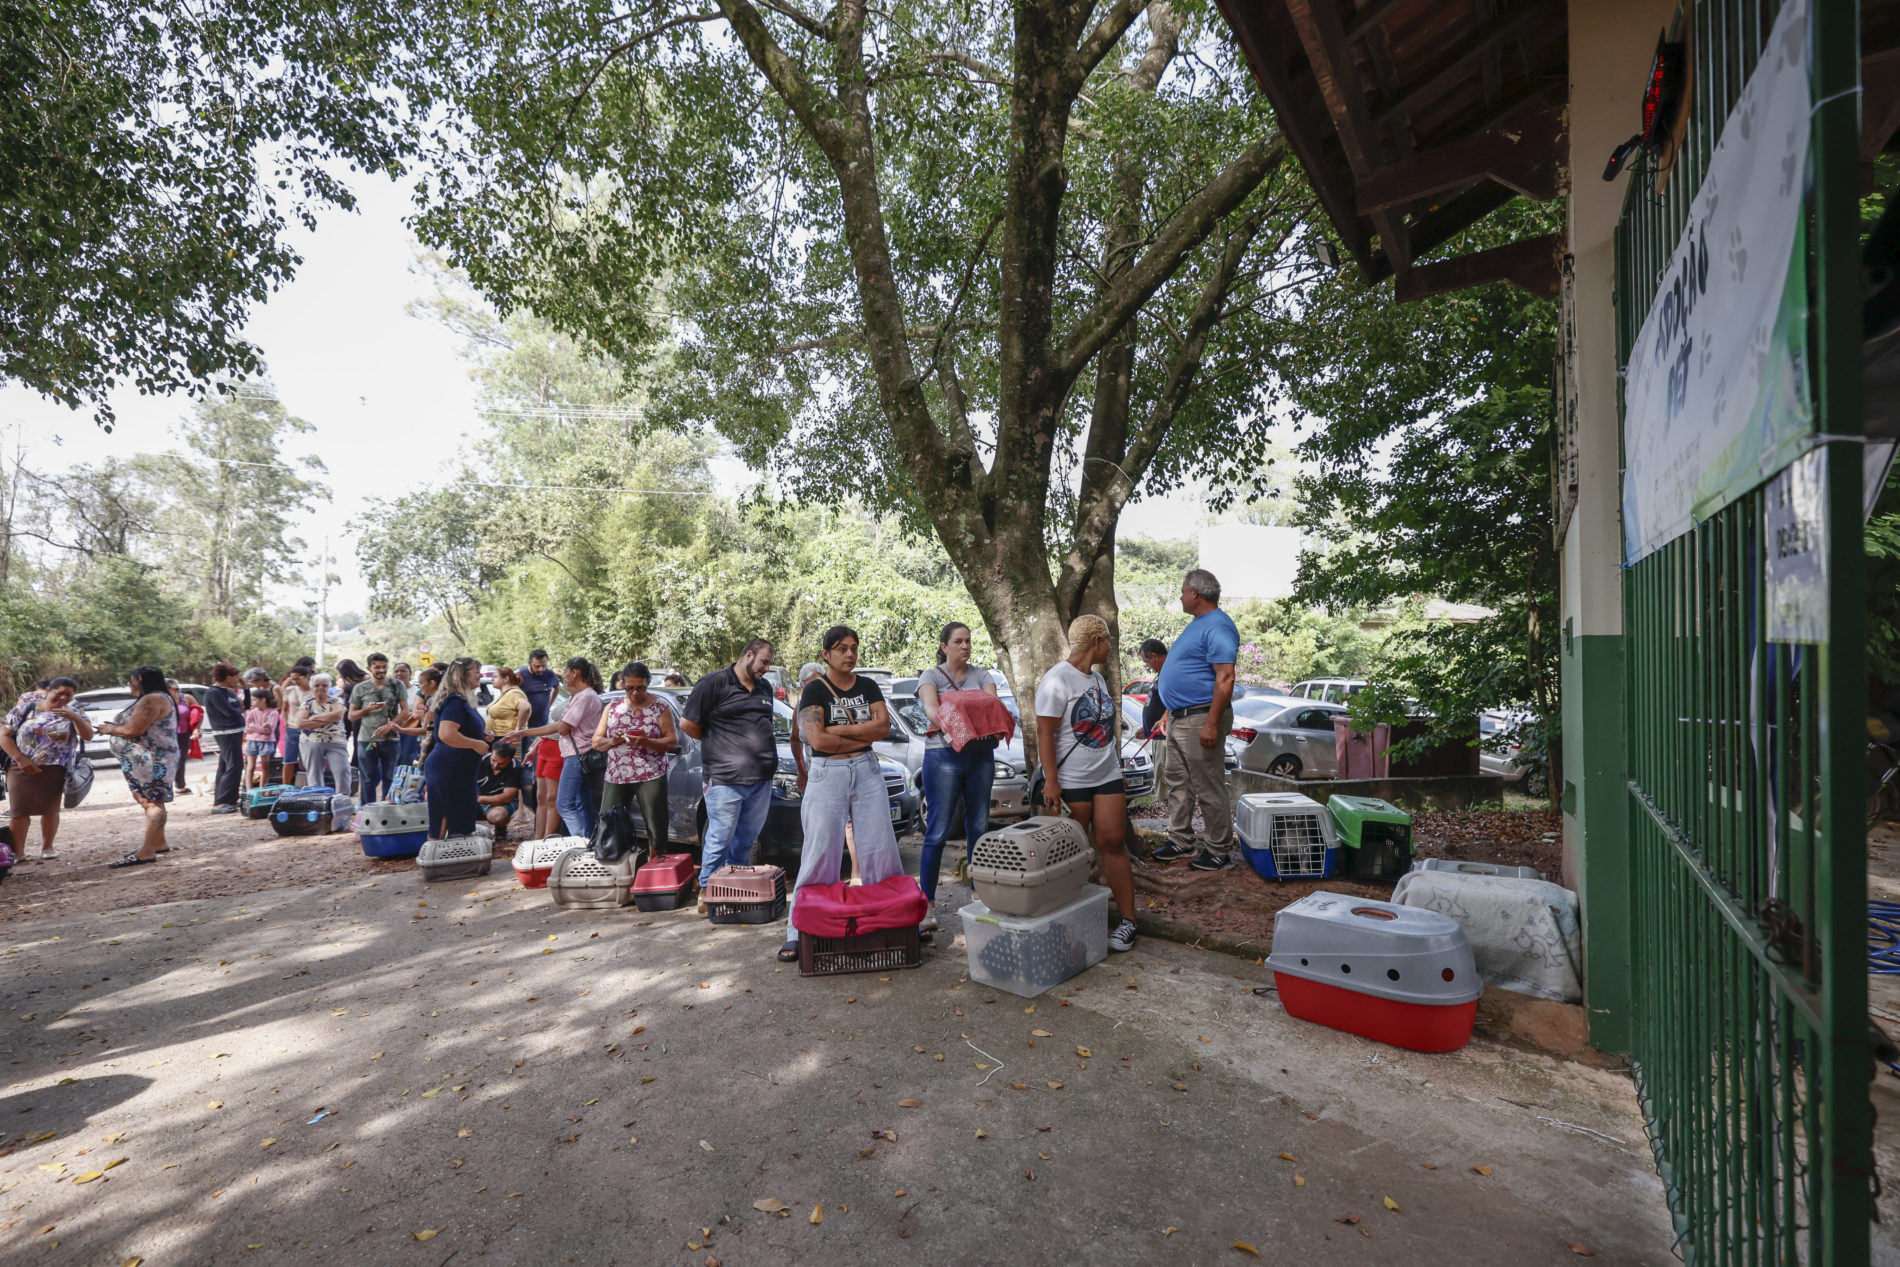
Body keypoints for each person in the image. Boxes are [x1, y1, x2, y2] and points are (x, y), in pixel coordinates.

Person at [782, 626, 904, 961]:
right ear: (826, 654)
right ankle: (797, 931)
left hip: (866, 769)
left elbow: (883, 728)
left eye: (854, 648)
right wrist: (861, 732)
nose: (849, 654)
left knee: (881, 849)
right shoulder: (814, 691)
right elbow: (817, 740)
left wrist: (839, 731)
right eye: (841, 648)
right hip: (828, 772)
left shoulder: (868, 686)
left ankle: (895, 921)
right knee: (820, 853)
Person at [1036, 615, 1139, 953]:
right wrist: (1052, 781)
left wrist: (1116, 766)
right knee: (1069, 853)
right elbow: (1044, 734)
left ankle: (1128, 921)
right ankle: (1065, 923)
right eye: (1108, 641)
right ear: (1097, 642)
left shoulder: (1097, 679)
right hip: (1072, 781)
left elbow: (1105, 729)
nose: (1110, 647)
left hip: (1106, 776)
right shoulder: (1057, 680)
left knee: (1112, 843)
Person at [1150, 569, 1239, 871]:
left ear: (1195, 593)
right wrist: (1168, 710)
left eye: (1182, 591)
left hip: (1201, 717)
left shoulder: (1218, 625)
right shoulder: (1198, 625)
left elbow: (1225, 677)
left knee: (1208, 786)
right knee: (1178, 783)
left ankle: (1218, 851)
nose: (1180, 597)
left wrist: (1211, 723)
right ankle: (1181, 840)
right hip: (1180, 718)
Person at [680, 638, 778, 915]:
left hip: (761, 778)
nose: (766, 669)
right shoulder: (713, 683)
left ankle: (734, 891)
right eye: (764, 662)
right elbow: (687, 723)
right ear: (748, 655)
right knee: (720, 837)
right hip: (724, 778)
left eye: (769, 664)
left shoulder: (765, 687)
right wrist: (719, 742)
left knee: (746, 839)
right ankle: (707, 889)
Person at [915, 622, 1001, 925]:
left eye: (968, 641)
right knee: (937, 832)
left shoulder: (982, 675)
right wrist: (960, 726)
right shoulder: (931, 676)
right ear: (944, 647)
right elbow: (931, 710)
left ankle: (980, 895)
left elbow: (993, 708)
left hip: (980, 756)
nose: (965, 646)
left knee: (979, 828)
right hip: (943, 757)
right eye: (958, 641)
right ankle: (927, 904)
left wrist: (965, 721)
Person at [506, 657, 604, 838]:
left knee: (564, 804)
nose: (563, 677)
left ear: (575, 673)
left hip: (577, 756)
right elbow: (559, 726)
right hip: (577, 755)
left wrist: (527, 732)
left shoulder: (585, 697)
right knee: (581, 803)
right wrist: (524, 733)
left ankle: (580, 842)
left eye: (565, 672)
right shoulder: (582, 696)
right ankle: (588, 840)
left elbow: (563, 728)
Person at [1, 676, 91, 860]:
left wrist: (74, 718)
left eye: (69, 695)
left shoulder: (75, 712)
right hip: (20, 767)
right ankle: (18, 853)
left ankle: (48, 847)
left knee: (50, 809)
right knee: (19, 811)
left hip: (56, 768)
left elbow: (87, 736)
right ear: (49, 690)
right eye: (60, 693)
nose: (64, 698)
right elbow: (4, 735)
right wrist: (20, 759)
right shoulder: (24, 709)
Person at [594, 661, 678, 852]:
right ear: (623, 684)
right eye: (629, 688)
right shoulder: (613, 707)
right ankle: (613, 861)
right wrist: (612, 741)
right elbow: (596, 742)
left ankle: (656, 861)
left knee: (656, 825)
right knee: (609, 822)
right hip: (617, 774)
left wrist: (647, 742)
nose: (634, 693)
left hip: (650, 773)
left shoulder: (660, 707)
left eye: (640, 688)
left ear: (647, 683)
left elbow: (672, 742)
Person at [100, 666, 179, 868]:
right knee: (148, 800)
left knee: (153, 802)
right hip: (146, 759)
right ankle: (158, 843)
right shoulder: (156, 697)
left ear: (140, 679)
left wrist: (109, 729)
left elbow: (132, 730)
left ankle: (147, 851)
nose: (129, 683)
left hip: (153, 760)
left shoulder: (152, 699)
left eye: (131, 679)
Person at [423, 657, 491, 839]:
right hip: (449, 768)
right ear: (463, 675)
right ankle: (435, 855)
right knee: (443, 819)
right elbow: (446, 734)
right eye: (477, 672)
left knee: (462, 820)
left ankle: (462, 855)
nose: (480, 676)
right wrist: (475, 744)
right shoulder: (455, 702)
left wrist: (481, 735)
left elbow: (461, 730)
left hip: (460, 769)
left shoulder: (463, 700)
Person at [347, 653, 408, 805]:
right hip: (367, 739)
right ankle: (367, 809)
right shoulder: (360, 688)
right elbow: (351, 716)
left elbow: (405, 711)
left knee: (390, 777)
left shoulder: (397, 685)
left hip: (391, 738)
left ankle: (387, 809)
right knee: (367, 778)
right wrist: (366, 709)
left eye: (384, 667)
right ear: (369, 668)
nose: (381, 670)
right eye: (377, 667)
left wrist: (389, 726)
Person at [294, 673, 351, 791]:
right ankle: (318, 798)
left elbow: (337, 715)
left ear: (329, 687)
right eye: (317, 685)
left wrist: (314, 718)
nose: (321, 688)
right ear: (312, 687)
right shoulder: (307, 703)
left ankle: (342, 798)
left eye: (324, 685)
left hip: (335, 740)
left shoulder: (336, 701)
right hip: (310, 741)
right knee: (314, 774)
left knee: (342, 771)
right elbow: (300, 723)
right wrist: (328, 719)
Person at [203, 663, 247, 814]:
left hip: (236, 732)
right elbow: (229, 712)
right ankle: (221, 802)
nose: (238, 680)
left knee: (226, 765)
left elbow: (245, 706)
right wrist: (240, 708)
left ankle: (229, 799)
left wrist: (245, 689)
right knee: (234, 765)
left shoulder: (228, 692)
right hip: (225, 732)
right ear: (228, 677)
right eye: (236, 677)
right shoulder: (214, 693)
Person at [477, 741, 524, 835]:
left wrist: (480, 799)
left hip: (500, 804)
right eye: (493, 760)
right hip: (476, 799)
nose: (495, 765)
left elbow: (507, 797)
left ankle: (500, 829)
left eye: (501, 763)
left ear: (510, 759)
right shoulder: (480, 760)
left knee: (498, 816)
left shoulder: (515, 767)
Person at [277, 664, 310, 786]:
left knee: (309, 760)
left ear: (307, 676)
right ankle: (286, 787)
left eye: (298, 678)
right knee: (289, 759)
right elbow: (284, 708)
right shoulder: (290, 690)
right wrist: (285, 722)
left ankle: (310, 786)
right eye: (292, 679)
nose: (295, 682)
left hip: (309, 729)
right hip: (292, 728)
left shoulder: (315, 690)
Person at [242, 688, 282, 790]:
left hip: (266, 741)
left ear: (263, 700)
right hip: (252, 741)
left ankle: (262, 789)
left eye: (254, 699)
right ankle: (249, 790)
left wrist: (255, 727)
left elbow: (270, 730)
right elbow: (247, 727)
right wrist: (262, 727)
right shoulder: (252, 712)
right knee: (250, 766)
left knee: (265, 766)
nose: (252, 702)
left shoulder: (273, 712)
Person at [170, 679, 203, 795]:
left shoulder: (187, 698)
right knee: (168, 760)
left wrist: (196, 728)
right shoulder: (162, 700)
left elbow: (199, 713)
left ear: (174, 689)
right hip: (167, 735)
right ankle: (165, 786)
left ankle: (180, 785)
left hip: (184, 734)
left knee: (180, 760)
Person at [517, 649, 561, 729]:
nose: (541, 669)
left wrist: (549, 705)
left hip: (543, 724)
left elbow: (557, 687)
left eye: (544, 666)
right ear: (529, 663)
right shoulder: (520, 677)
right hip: (524, 726)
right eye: (537, 666)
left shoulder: (550, 674)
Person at [485, 666, 528, 742]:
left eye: (495, 677)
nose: (492, 679)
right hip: (499, 737)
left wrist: (518, 729)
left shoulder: (514, 693)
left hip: (507, 738)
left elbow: (526, 707)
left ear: (506, 679)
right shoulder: (505, 693)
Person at [391, 662, 421, 768]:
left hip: (409, 729)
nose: (399, 673)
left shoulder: (418, 692)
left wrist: (405, 716)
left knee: (405, 760)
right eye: (396, 671)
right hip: (390, 729)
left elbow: (418, 711)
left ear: (410, 673)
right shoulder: (387, 691)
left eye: (403, 671)